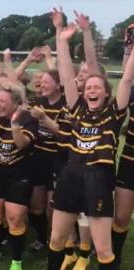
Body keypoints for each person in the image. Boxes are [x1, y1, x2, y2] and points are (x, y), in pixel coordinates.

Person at [47, 8, 134, 269]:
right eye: (88, 87)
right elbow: (65, 76)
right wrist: (61, 40)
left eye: (97, 87)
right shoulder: (77, 109)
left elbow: (128, 79)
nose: (91, 89)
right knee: (57, 238)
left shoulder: (113, 113)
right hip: (71, 174)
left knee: (104, 249)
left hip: (98, 178)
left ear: (107, 94)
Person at [0, 79, 38, 270]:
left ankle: (16, 260)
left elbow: (21, 144)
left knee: (15, 218)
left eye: (3, 101)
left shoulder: (28, 119)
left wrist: (14, 124)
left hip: (19, 175)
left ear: (15, 103)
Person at [27, 69, 65, 253]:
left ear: (58, 84)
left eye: (47, 82)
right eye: (41, 82)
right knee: (35, 205)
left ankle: (54, 241)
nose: (43, 85)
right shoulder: (38, 101)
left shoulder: (66, 104)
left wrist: (43, 117)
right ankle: (41, 238)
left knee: (52, 208)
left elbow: (63, 133)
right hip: (38, 158)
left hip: (58, 160)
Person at [112, 24, 134, 269]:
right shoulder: (133, 90)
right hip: (130, 160)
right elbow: (126, 79)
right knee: (120, 216)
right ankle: (114, 259)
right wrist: (128, 49)